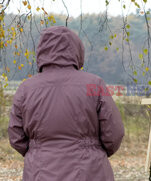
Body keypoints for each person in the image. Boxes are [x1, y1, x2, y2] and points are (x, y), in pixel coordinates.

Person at [8, 26, 124, 181]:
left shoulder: (26, 89)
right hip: (90, 171)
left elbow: (16, 136)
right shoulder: (93, 85)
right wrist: (93, 151)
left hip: (39, 171)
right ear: (77, 51)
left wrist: (38, 149)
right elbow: (114, 132)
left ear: (41, 52)